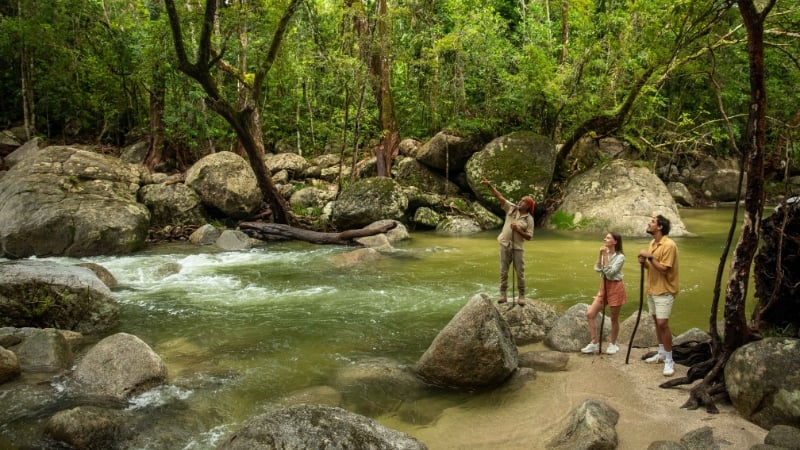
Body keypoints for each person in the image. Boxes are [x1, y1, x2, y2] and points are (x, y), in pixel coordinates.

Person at [481, 178, 534, 306]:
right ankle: (503, 294)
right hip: (504, 244)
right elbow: (499, 197)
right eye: (521, 200)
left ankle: (521, 295)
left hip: (518, 247)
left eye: (524, 201)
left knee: (520, 272)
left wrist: (518, 230)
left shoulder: (529, 219)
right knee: (503, 270)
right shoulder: (511, 208)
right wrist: (490, 186)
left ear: (528, 206)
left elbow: (529, 237)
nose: (521, 202)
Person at [638, 214, 680, 377]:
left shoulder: (669, 245)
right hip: (652, 289)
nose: (649, 223)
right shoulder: (652, 243)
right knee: (656, 321)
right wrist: (645, 263)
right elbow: (653, 267)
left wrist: (649, 257)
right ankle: (661, 353)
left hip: (665, 290)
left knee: (663, 323)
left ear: (660, 227)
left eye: (653, 222)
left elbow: (664, 269)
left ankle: (670, 359)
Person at [581, 232, 627, 355]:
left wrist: (605, 257)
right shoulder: (604, 253)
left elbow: (610, 272)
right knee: (590, 313)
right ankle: (594, 342)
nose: (604, 239)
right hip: (604, 286)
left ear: (615, 241)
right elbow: (597, 269)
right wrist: (600, 254)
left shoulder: (620, 257)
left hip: (616, 287)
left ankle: (613, 344)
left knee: (614, 318)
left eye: (608, 238)